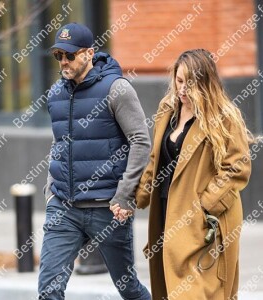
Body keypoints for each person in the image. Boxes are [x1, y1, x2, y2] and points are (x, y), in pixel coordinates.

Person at [127, 49, 255, 299]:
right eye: (179, 81)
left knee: (200, 290)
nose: (183, 89)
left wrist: (205, 205)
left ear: (206, 82)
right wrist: (138, 196)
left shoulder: (224, 116)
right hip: (167, 211)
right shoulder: (168, 110)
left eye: (191, 83)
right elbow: (156, 159)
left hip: (205, 219)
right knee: (171, 284)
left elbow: (237, 167)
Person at [38, 22, 151, 300]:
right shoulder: (56, 93)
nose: (63, 61)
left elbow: (141, 141)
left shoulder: (117, 89)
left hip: (107, 208)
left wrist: (124, 196)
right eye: (58, 56)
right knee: (48, 290)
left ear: (89, 53)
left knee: (128, 288)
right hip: (64, 207)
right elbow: (60, 142)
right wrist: (51, 191)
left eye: (70, 55)